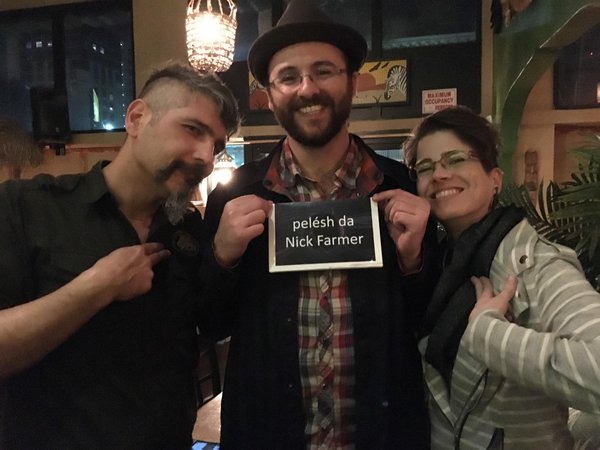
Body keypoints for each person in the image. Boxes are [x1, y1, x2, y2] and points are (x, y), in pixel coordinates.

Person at [199, 0, 434, 448]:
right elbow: (209, 322)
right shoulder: (234, 196)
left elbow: (427, 323)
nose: (307, 88)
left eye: (324, 71)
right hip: (268, 436)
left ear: (352, 83)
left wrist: (414, 262)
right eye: (288, 76)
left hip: (382, 436)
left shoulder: (403, 190)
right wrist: (222, 257)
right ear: (269, 95)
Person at [0, 62, 240, 449]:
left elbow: (211, 329)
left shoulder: (189, 231)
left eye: (216, 145)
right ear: (136, 118)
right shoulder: (27, 209)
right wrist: (97, 287)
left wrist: (225, 258)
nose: (205, 157)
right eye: (192, 129)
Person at [402, 105, 600, 449]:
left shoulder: (536, 265)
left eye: (456, 159)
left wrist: (491, 335)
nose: (439, 174)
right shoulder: (434, 265)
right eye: (425, 167)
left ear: (495, 179)